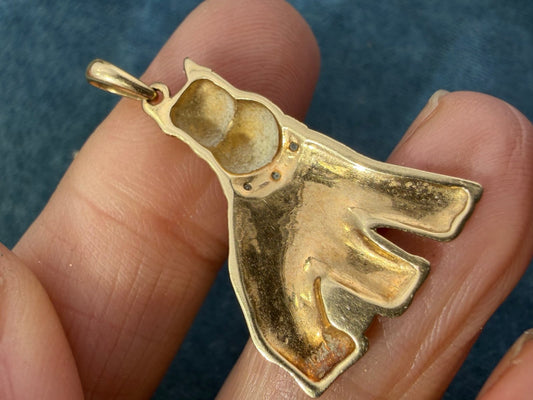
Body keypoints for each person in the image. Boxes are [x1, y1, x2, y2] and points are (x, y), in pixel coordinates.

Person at [1, 0, 532, 399]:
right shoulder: (244, 205)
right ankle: (365, 301)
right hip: (268, 185)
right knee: (285, 300)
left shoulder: (235, 121)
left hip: (295, 164)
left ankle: (379, 286)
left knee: (370, 219)